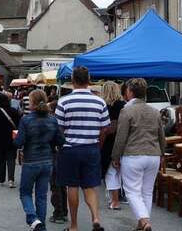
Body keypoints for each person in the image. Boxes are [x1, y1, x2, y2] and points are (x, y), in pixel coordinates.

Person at [55, 66, 110, 231]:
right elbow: (105, 128)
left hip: (70, 149)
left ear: (72, 80)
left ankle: (74, 225)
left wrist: (61, 145)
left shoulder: (63, 101)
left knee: (72, 186)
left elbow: (59, 128)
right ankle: (95, 218)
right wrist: (98, 144)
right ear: (89, 80)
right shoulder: (100, 102)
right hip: (91, 148)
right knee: (90, 186)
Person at [112, 78, 166, 231]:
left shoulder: (126, 111)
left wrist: (115, 156)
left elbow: (121, 137)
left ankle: (144, 221)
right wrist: (162, 154)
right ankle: (142, 223)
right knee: (147, 192)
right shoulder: (155, 111)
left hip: (133, 154)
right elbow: (161, 135)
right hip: (153, 154)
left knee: (132, 191)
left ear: (130, 92)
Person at [15, 90, 65, 231]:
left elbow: (19, 142)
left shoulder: (26, 120)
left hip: (31, 161)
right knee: (41, 196)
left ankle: (33, 218)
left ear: (33, 103)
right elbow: (61, 140)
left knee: (25, 193)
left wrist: (13, 140)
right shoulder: (52, 119)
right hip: (47, 161)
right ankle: (40, 226)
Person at [100, 81, 126, 210]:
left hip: (109, 142)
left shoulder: (104, 105)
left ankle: (115, 200)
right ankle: (119, 197)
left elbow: (108, 128)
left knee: (111, 173)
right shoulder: (124, 105)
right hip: (125, 141)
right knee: (119, 171)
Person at [0, 92, 21, 188]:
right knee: (11, 159)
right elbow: (19, 126)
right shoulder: (14, 111)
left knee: (0, 159)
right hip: (11, 139)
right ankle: (11, 180)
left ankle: (1, 179)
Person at [47, 96, 68, 225]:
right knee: (62, 185)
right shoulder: (62, 122)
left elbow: (57, 140)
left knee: (55, 185)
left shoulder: (54, 123)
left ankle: (58, 213)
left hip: (55, 154)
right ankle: (63, 211)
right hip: (63, 154)